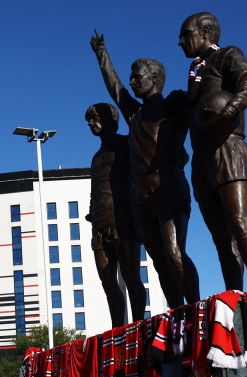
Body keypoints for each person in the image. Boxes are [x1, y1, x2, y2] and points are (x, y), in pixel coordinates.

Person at [91, 31, 200, 307]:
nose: (132, 81)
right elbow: (114, 86)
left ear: (155, 79)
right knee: (161, 263)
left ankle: (195, 310)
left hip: (169, 192)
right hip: (143, 202)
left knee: (175, 252)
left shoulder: (172, 105)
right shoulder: (134, 114)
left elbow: (197, 103)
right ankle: (178, 314)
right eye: (132, 77)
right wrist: (101, 53)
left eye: (138, 76)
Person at [178, 11, 247, 292]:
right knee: (221, 239)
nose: (180, 42)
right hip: (202, 158)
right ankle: (236, 299)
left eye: (185, 34)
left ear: (205, 33)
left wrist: (228, 111)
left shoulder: (227, 54)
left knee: (241, 224)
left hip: (228, 148)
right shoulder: (194, 74)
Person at [85, 103, 144, 326]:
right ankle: (118, 330)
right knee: (108, 283)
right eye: (88, 120)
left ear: (110, 118)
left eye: (94, 117)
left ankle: (138, 325)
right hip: (99, 225)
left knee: (131, 278)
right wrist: (92, 214)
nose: (91, 123)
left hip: (124, 221)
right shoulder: (96, 157)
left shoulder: (126, 144)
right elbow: (94, 191)